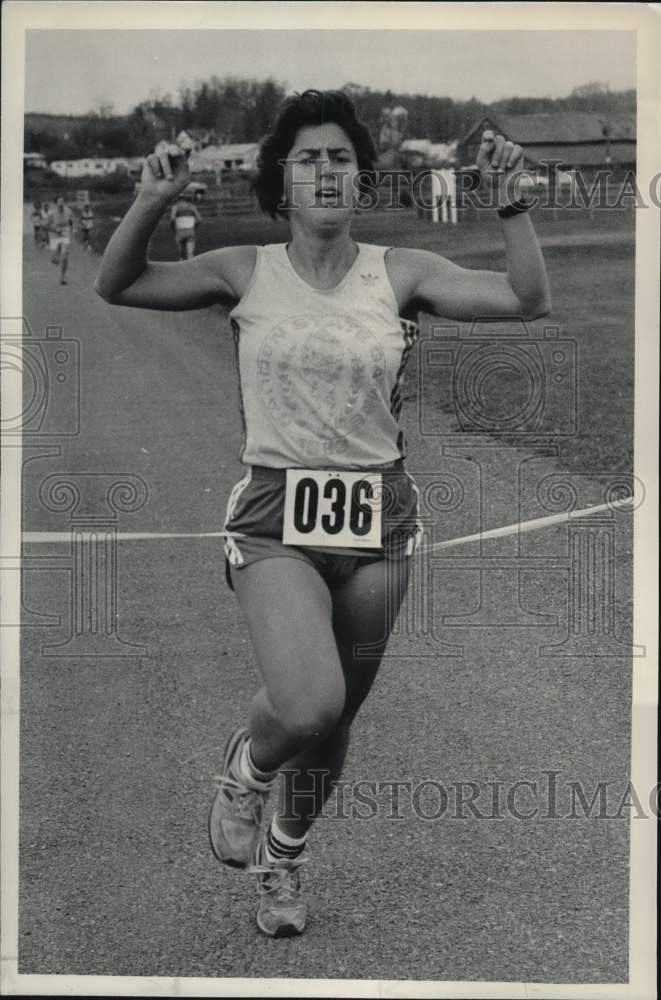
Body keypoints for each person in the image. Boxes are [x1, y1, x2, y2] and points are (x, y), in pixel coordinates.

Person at [95, 90, 551, 939]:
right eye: (309, 157)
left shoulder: (401, 272)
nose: (327, 170)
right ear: (282, 182)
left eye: (341, 156)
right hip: (276, 516)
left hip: (378, 521)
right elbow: (116, 284)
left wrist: (511, 202)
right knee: (305, 704)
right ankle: (245, 767)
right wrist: (153, 200)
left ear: (360, 177)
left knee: (337, 715)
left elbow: (525, 300)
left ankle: (283, 858)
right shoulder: (244, 269)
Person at [47, 196, 74, 284]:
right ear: (56, 203)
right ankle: (55, 258)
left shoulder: (69, 211)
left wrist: (72, 229)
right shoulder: (51, 213)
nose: (61, 204)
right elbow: (45, 226)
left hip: (65, 234)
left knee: (64, 256)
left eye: (62, 202)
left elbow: (70, 222)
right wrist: (55, 230)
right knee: (55, 260)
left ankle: (62, 278)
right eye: (59, 202)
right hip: (54, 235)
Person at [169, 192, 202, 259]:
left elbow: (172, 219)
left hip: (179, 231)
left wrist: (173, 228)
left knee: (181, 254)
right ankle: (191, 268)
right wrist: (193, 226)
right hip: (190, 230)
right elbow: (199, 219)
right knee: (190, 254)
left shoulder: (175, 207)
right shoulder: (192, 207)